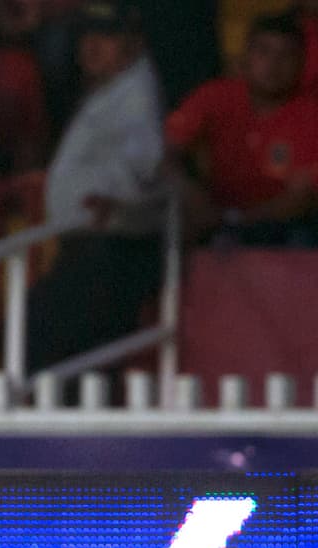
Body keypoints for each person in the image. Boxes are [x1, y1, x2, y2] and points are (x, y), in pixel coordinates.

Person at [26, 0, 167, 375]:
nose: (91, 46)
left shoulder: (137, 92)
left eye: (106, 36)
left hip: (113, 248)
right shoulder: (112, 88)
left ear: (134, 43)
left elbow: (148, 161)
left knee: (43, 339)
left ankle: (56, 429)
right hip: (90, 246)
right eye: (86, 35)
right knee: (75, 355)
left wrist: (115, 194)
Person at [167, 12, 318, 247]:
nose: (273, 64)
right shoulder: (217, 95)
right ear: (246, 57)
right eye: (263, 52)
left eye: (285, 55)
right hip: (210, 216)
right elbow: (166, 151)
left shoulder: (311, 115)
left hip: (281, 230)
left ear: (301, 63)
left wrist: (235, 221)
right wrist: (191, 195)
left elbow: (301, 197)